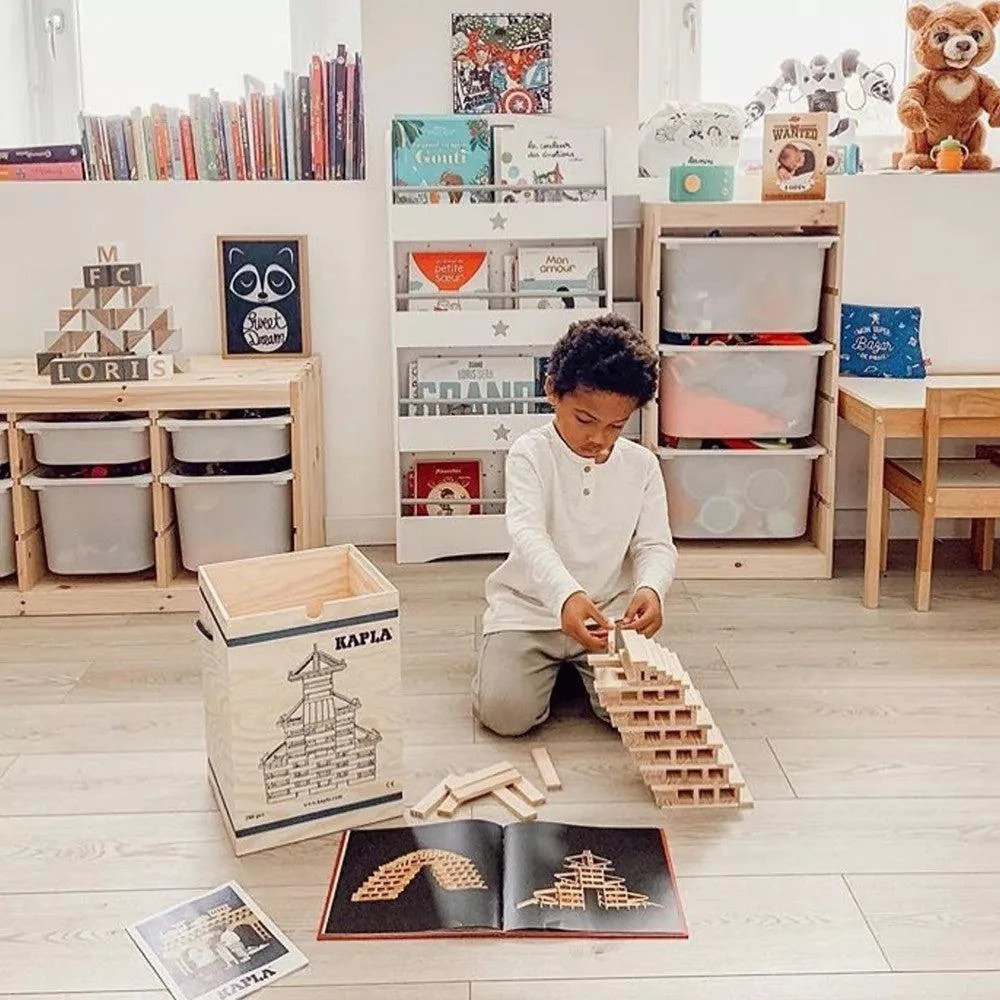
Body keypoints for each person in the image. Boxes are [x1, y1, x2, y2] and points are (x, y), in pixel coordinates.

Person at [472, 314, 678, 737]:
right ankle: (527, 663)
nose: (600, 438)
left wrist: (650, 589)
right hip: (529, 611)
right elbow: (530, 536)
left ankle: (572, 670)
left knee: (638, 717)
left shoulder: (641, 466)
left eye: (617, 426)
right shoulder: (530, 454)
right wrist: (565, 597)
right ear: (552, 391)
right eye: (585, 420)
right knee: (505, 715)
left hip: (609, 618)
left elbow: (655, 545)